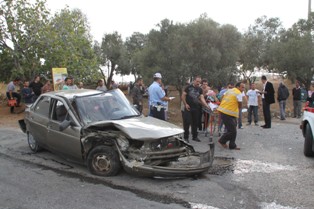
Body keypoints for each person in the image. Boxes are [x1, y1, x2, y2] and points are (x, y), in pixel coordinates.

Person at [217, 82, 245, 150]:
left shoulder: (229, 90)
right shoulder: (238, 93)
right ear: (238, 87)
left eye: (244, 87)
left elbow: (222, 97)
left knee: (233, 129)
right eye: (242, 87)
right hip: (227, 113)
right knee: (232, 131)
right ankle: (222, 141)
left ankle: (232, 145)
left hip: (226, 111)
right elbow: (240, 105)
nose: (243, 89)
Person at [181, 76, 209, 142]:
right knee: (187, 122)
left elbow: (202, 98)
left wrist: (206, 105)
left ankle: (194, 137)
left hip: (196, 108)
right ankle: (186, 137)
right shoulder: (188, 87)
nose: (198, 83)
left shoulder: (200, 89)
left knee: (195, 123)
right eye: (197, 81)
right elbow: (183, 96)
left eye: (199, 82)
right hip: (188, 108)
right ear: (194, 81)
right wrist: (185, 104)